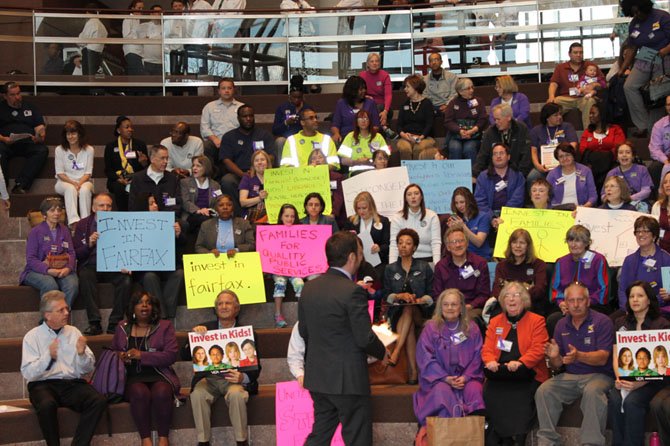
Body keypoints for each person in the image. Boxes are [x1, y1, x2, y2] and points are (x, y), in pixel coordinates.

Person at [298, 231, 388, 445]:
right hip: (348, 379)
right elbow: (364, 337)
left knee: (319, 435)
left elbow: (304, 332)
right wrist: (383, 352)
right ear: (351, 257)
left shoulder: (309, 288)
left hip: (318, 376)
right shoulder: (352, 291)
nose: (361, 257)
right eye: (360, 253)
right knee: (357, 437)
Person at [20, 291, 107, 446]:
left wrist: (81, 355)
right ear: (47, 315)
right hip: (42, 384)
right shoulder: (32, 336)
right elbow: (28, 372)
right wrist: (48, 357)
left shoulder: (74, 333)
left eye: (66, 309)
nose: (67, 313)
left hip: (71, 383)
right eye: (61, 310)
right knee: (47, 405)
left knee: (97, 400)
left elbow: (87, 368)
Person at [535, 282, 615, 446]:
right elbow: (558, 365)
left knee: (593, 391)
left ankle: (591, 443)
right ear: (565, 303)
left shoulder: (603, 321)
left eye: (580, 300)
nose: (576, 305)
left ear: (588, 301)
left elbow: (603, 358)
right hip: (570, 376)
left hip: (600, 375)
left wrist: (579, 355)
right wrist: (555, 357)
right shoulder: (561, 324)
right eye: (571, 300)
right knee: (544, 390)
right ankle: (547, 442)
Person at [187, 290, 261, 446]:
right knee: (197, 395)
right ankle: (203, 441)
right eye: (220, 303)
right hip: (208, 379)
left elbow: (256, 366)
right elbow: (184, 354)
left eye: (228, 303)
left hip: (233, 379)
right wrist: (193, 338)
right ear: (215, 308)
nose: (224, 306)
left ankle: (241, 441)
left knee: (237, 395)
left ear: (236, 308)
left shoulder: (246, 332)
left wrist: (243, 378)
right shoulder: (204, 329)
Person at [482, 282, 549, 446]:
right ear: (502, 301)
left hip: (527, 374)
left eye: (516, 295)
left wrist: (520, 362)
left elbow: (539, 348)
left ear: (524, 299)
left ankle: (518, 439)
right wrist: (490, 361)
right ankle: (500, 438)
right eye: (507, 295)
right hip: (500, 373)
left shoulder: (537, 321)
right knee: (491, 392)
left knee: (520, 399)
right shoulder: (496, 321)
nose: (511, 299)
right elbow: (487, 348)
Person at [413, 288, 485, 440]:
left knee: (475, 390)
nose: (450, 308)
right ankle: (446, 438)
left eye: (454, 304)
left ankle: (472, 437)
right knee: (442, 393)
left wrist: (466, 377)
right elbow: (425, 358)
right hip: (438, 380)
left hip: (467, 378)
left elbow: (478, 356)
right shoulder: (430, 329)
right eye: (446, 304)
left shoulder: (471, 328)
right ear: (440, 307)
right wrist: (445, 378)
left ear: (461, 307)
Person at [112, 291, 180, 446]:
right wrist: (120, 355)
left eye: (148, 302)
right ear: (133, 308)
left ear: (153, 307)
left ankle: (164, 438)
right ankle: (146, 439)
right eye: (140, 302)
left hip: (159, 374)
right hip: (131, 377)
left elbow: (171, 356)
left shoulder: (165, 326)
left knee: (162, 391)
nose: (144, 305)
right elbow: (113, 352)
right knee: (139, 392)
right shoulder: (122, 327)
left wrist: (141, 356)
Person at [608, 281, 670, 446]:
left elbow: (662, 362)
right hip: (626, 378)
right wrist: (620, 378)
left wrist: (640, 383)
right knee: (614, 399)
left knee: (632, 401)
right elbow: (616, 354)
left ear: (649, 300)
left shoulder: (661, 324)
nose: (635, 299)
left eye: (640, 296)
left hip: (654, 380)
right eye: (631, 296)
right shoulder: (620, 323)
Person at [73, 192, 132, 335]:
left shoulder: (121, 223)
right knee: (85, 276)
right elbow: (77, 254)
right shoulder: (83, 224)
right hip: (91, 264)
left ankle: (115, 323)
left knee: (126, 280)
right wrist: (89, 244)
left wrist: (126, 263)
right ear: (93, 208)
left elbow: (129, 246)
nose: (105, 209)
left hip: (113, 265)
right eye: (101, 205)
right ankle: (94, 323)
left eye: (108, 206)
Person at [382, 228, 434, 384]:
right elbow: (386, 295)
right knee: (407, 313)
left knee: (411, 308)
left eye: (408, 243)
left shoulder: (424, 267)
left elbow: (432, 294)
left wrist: (420, 300)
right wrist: (398, 296)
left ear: (415, 247)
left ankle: (397, 352)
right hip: (397, 313)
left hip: (420, 311)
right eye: (400, 243)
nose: (403, 246)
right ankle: (413, 372)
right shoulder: (390, 269)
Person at [620, 0, 670, 134]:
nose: (637, 14)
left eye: (638, 11)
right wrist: (622, 69)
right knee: (629, 86)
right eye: (633, 12)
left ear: (645, 7)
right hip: (645, 55)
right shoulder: (634, 24)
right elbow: (632, 48)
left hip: (664, 55)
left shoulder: (662, 16)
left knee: (656, 91)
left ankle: (653, 129)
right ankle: (642, 125)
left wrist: (665, 50)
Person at [134, 193, 185, 321]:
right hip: (146, 268)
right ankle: (162, 316)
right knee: (150, 277)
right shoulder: (134, 223)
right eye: (151, 203)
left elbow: (182, 245)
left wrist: (178, 234)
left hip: (168, 265)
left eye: (156, 203)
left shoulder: (169, 221)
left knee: (179, 274)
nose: (155, 206)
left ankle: (165, 313)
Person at [20, 197, 78, 307]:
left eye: (59, 210)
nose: (56, 213)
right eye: (52, 210)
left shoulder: (65, 230)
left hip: (62, 269)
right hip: (36, 271)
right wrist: (48, 270)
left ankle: (61, 316)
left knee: (72, 285)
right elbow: (31, 259)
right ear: (44, 214)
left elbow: (71, 253)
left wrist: (68, 268)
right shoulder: (35, 232)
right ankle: (47, 320)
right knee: (50, 284)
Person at [550, 225, 609, 317]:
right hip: (566, 307)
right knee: (553, 319)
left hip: (592, 305)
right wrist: (561, 303)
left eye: (577, 241)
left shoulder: (598, 260)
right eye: (570, 240)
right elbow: (555, 289)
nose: (573, 245)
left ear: (586, 243)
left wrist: (586, 303)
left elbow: (603, 289)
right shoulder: (561, 262)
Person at [220, 105, 276, 202]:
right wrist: (243, 175)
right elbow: (226, 160)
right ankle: (238, 213)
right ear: (238, 118)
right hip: (239, 173)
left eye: (251, 116)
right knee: (227, 181)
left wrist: (257, 170)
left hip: (262, 172)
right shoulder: (229, 136)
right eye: (245, 116)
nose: (248, 119)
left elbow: (271, 156)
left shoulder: (264, 134)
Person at [0, 81, 48, 193]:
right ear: (5, 96)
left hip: (27, 142)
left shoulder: (30, 107)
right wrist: (3, 139)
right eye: (13, 95)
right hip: (5, 143)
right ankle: (2, 185)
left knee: (42, 150)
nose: (17, 97)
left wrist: (40, 135)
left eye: (18, 93)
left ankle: (21, 184)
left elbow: (39, 127)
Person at [618, 216, 670, 319]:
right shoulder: (629, 260)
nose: (641, 234)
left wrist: (647, 305)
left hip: (658, 309)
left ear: (654, 235)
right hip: (632, 309)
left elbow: (667, 291)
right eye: (638, 231)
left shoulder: (666, 259)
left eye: (645, 231)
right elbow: (622, 290)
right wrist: (628, 308)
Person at [433, 227, 490, 317]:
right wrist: (449, 308)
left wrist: (469, 306)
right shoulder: (440, 266)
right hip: (447, 308)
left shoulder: (480, 263)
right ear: (448, 247)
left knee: (469, 321)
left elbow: (484, 294)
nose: (458, 245)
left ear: (467, 243)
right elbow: (437, 295)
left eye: (461, 240)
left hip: (472, 308)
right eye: (454, 242)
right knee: (433, 324)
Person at [547, 42, 604, 130]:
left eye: (581, 52)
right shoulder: (561, 67)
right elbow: (554, 83)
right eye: (575, 52)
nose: (578, 55)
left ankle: (588, 134)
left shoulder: (590, 66)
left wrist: (595, 84)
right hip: (566, 98)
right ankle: (552, 135)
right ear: (569, 54)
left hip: (584, 97)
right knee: (554, 103)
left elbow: (603, 83)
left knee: (590, 101)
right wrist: (551, 96)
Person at [492, 229, 548, 315]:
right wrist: (511, 300)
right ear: (510, 245)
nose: (518, 246)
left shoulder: (539, 265)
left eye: (522, 243)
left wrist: (518, 299)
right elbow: (496, 290)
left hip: (531, 305)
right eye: (514, 242)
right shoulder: (501, 266)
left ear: (528, 246)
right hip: (506, 305)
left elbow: (539, 290)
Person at [474, 142, 525, 230]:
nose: (498, 156)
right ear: (492, 158)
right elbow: (480, 201)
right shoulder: (483, 177)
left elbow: (517, 200)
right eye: (495, 154)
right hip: (488, 216)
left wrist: (504, 216)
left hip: (511, 216)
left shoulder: (518, 176)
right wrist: (492, 218)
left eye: (501, 153)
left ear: (508, 157)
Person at [53, 120, 94, 227]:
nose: (71, 136)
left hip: (84, 181)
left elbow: (88, 173)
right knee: (70, 189)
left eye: (73, 133)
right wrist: (73, 183)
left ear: (79, 134)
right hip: (64, 181)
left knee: (85, 190)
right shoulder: (59, 149)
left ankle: (86, 222)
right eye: (68, 134)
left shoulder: (89, 150)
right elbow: (60, 173)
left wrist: (79, 184)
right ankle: (74, 222)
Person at [103, 115, 149, 211]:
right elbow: (108, 170)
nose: (130, 129)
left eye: (131, 127)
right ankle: (123, 214)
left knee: (139, 185)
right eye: (127, 127)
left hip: (135, 177)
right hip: (118, 179)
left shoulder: (139, 145)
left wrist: (144, 163)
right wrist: (119, 179)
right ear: (119, 130)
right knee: (119, 187)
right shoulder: (111, 147)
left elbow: (147, 169)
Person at [474, 103, 532, 178]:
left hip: (518, 171)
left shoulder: (521, 129)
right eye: (495, 119)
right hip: (495, 173)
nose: (496, 122)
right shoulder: (490, 132)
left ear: (508, 117)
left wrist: (519, 175)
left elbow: (526, 155)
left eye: (498, 119)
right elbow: (482, 156)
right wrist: (474, 174)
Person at [389, 183, 441, 265]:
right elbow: (393, 244)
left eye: (416, 193)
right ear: (405, 199)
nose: (413, 197)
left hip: (427, 260)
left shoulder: (432, 216)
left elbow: (436, 242)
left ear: (421, 197)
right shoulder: (397, 217)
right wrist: (391, 266)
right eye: (409, 194)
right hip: (404, 259)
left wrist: (437, 265)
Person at [527, 103, 579, 184]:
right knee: (532, 177)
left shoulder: (567, 127)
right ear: (547, 117)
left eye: (560, 114)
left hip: (565, 163)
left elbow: (573, 145)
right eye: (556, 115)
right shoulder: (536, 130)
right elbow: (533, 151)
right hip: (544, 166)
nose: (560, 117)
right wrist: (538, 166)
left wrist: (564, 160)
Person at [579, 102, 625, 192]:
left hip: (611, 163)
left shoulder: (616, 129)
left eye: (593, 113)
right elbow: (583, 149)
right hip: (592, 165)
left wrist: (603, 157)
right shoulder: (588, 132)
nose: (590, 116)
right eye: (590, 113)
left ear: (602, 114)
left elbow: (619, 147)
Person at [272, 204, 304, 328]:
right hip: (278, 268)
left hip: (294, 268)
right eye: (286, 216)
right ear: (281, 217)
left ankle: (303, 315)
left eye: (292, 216)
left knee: (300, 284)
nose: (289, 219)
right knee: (280, 283)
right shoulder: (272, 233)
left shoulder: (301, 232)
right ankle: (278, 314)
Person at [343, 191, 390, 276]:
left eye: (364, 208)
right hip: (356, 266)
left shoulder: (383, 221)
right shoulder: (350, 221)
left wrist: (379, 248)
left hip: (377, 266)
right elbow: (344, 242)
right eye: (358, 208)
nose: (361, 211)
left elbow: (388, 244)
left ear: (371, 207)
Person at [200, 78, 244, 168]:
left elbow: (246, 127)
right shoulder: (209, 107)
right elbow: (204, 128)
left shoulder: (242, 107)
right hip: (216, 143)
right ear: (219, 91)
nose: (226, 91)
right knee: (206, 146)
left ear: (234, 90)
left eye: (229, 88)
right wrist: (214, 139)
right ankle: (210, 175)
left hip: (236, 143)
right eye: (223, 88)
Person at [444, 77, 487, 164]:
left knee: (469, 149)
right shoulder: (453, 103)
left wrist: (473, 130)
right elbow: (448, 121)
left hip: (474, 136)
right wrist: (460, 131)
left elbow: (483, 119)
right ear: (460, 91)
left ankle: (472, 175)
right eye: (468, 88)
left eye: (472, 87)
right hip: (456, 135)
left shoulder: (479, 101)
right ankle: (455, 176)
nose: (471, 90)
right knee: (455, 148)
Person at [128, 144, 181, 214]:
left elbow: (177, 203)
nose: (166, 162)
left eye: (167, 158)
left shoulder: (173, 179)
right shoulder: (138, 178)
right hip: (143, 218)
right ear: (152, 159)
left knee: (184, 224)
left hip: (167, 218)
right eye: (162, 158)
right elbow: (132, 205)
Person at [395, 74, 437, 160]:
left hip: (424, 137)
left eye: (407, 87)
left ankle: (418, 173)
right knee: (405, 149)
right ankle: (405, 172)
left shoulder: (427, 104)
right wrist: (403, 134)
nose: (405, 89)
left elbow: (429, 124)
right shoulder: (405, 104)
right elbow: (399, 125)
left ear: (415, 87)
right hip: (406, 137)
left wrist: (420, 137)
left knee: (418, 148)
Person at [331, 75, 381, 145]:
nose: (364, 91)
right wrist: (336, 134)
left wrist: (366, 135)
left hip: (366, 137)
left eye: (364, 88)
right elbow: (335, 125)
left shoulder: (370, 103)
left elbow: (376, 125)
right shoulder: (341, 103)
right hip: (345, 138)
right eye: (361, 89)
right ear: (352, 91)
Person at [605, 141, 653, 212]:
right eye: (621, 153)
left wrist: (629, 198)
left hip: (638, 204)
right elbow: (603, 195)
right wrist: (616, 200)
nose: (624, 155)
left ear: (633, 156)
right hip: (616, 205)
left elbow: (646, 191)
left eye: (627, 152)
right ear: (617, 157)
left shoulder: (642, 169)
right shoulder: (611, 173)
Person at [338, 110, 389, 175]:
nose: (363, 121)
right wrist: (357, 162)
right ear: (356, 121)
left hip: (375, 172)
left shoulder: (378, 137)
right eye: (360, 118)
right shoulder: (350, 137)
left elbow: (386, 157)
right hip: (356, 173)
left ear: (370, 121)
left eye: (366, 118)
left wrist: (371, 161)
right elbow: (343, 161)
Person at [546, 142, 597, 209]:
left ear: (573, 155)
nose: (565, 158)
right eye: (561, 156)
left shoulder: (586, 171)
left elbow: (593, 196)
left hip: (581, 209)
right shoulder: (552, 174)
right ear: (558, 159)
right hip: (558, 211)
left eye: (567, 155)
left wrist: (583, 208)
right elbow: (545, 196)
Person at [445, 187, 491, 259]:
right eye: (456, 203)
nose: (459, 206)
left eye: (462, 202)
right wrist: (452, 230)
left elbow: (479, 242)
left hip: (481, 257)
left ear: (469, 201)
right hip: (463, 258)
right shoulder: (457, 218)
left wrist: (463, 227)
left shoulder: (483, 216)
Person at [180, 155, 222, 233]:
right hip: (191, 215)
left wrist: (212, 211)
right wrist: (198, 210)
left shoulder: (215, 185)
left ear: (206, 168)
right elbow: (185, 202)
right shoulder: (185, 183)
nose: (194, 168)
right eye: (193, 165)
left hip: (209, 215)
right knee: (205, 220)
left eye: (198, 166)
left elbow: (219, 202)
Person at [307, 149, 346, 227]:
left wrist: (333, 213)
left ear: (325, 160)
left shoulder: (336, 177)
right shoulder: (304, 179)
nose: (317, 160)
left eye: (320, 157)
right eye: (314, 158)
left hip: (332, 215)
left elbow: (338, 198)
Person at [272, 83, 313, 154]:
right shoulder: (282, 108)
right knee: (280, 141)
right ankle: (281, 165)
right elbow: (275, 130)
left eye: (299, 97)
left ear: (303, 97)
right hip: (287, 138)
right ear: (289, 96)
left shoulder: (308, 109)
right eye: (294, 97)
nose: (296, 100)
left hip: (304, 137)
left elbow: (313, 126)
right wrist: (286, 123)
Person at [359, 52, 393, 130]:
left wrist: (385, 111)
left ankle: (378, 130)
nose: (374, 63)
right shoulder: (362, 75)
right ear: (367, 64)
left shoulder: (385, 75)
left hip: (383, 106)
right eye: (372, 61)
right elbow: (358, 93)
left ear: (379, 63)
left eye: (377, 61)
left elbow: (388, 95)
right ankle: (384, 128)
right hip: (367, 104)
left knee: (378, 108)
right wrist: (365, 96)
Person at [238, 149, 272, 222]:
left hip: (271, 215)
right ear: (253, 164)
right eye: (256, 160)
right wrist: (259, 198)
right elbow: (242, 202)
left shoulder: (275, 177)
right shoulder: (247, 178)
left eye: (262, 159)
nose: (259, 162)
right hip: (252, 217)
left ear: (267, 162)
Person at [79, 8, 108, 75]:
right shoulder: (102, 25)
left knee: (88, 76)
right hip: (99, 52)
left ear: (87, 12)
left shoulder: (91, 22)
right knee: (96, 76)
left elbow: (82, 40)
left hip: (89, 52)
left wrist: (80, 36)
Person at [649, 96, 670, 185]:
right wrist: (665, 160)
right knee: (654, 168)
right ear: (666, 107)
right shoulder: (659, 125)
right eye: (669, 104)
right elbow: (654, 148)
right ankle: (660, 196)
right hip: (667, 158)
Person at [123, 0, 145, 75]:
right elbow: (126, 35)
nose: (141, 10)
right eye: (139, 8)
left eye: (142, 8)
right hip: (131, 50)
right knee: (137, 76)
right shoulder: (128, 19)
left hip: (139, 52)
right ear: (133, 8)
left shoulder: (138, 20)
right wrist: (140, 38)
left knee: (137, 76)